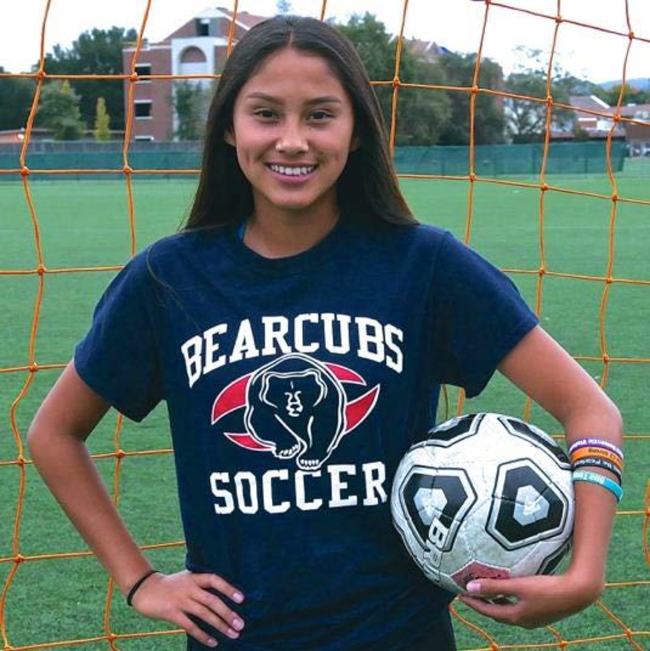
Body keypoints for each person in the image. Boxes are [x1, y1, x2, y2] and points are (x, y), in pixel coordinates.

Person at [27, 15, 623, 651]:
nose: (292, 141)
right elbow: (54, 433)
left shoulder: (424, 265)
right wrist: (141, 581)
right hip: (241, 638)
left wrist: (585, 574)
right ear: (229, 127)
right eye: (266, 114)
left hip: (399, 636)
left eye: (319, 115)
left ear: (357, 129)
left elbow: (590, 409)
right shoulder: (168, 279)